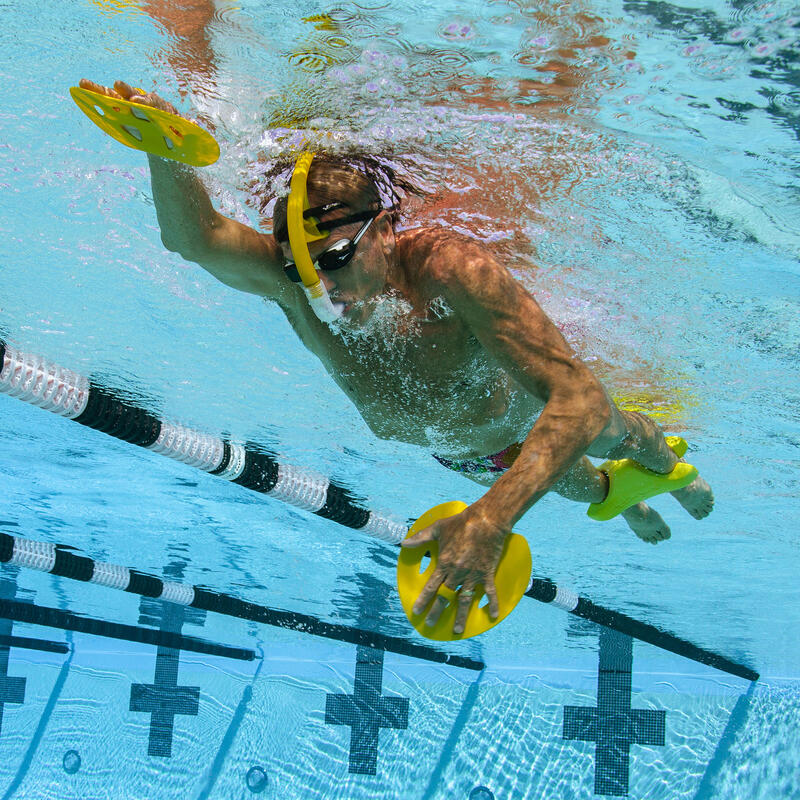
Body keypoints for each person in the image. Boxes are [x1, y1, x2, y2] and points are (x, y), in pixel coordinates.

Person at [79, 78, 714, 636]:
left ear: (384, 230)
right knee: (581, 489)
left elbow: (579, 399)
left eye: (335, 259)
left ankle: (667, 467)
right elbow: (197, 238)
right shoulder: (296, 284)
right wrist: (163, 150)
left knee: (611, 430)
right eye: (302, 269)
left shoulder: (448, 269)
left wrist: (491, 522)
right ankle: (627, 501)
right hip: (468, 448)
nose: (322, 289)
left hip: (530, 415)